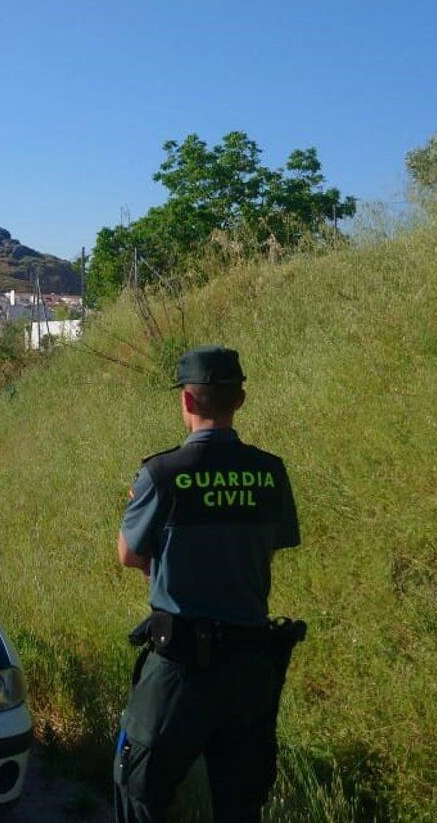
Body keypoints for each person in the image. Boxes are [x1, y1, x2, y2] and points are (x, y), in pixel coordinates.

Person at [113, 346, 302, 823]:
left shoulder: (162, 473)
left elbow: (129, 553)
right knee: (241, 802)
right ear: (240, 400)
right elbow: (271, 544)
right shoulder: (269, 472)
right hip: (253, 664)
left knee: (139, 784)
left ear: (188, 403)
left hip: (180, 666)